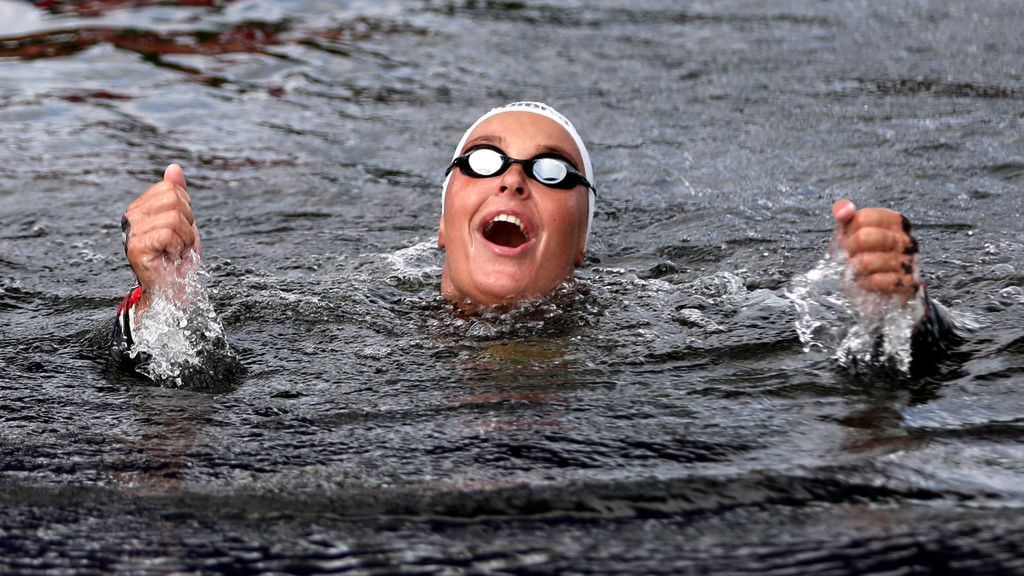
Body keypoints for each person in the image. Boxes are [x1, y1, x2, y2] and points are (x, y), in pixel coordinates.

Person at [110, 102, 953, 366]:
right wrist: (165, 303)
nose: (515, 179)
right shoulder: (334, 319)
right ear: (442, 222)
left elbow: (853, 354)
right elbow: (161, 389)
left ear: (583, 241)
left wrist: (892, 311)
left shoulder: (674, 320)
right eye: (483, 162)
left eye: (554, 172)